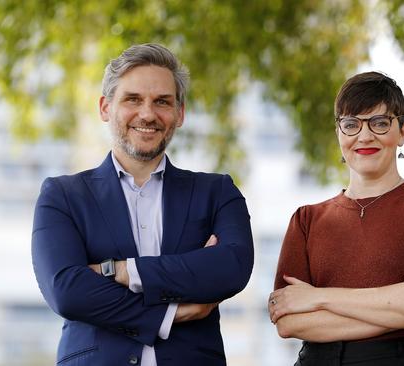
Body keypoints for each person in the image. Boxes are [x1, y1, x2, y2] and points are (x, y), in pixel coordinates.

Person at [31, 43, 254, 366]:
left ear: (180, 114)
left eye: (162, 102)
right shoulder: (62, 196)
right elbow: (66, 291)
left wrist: (120, 270)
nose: (148, 114)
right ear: (106, 108)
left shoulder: (217, 191)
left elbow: (231, 268)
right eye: (133, 99)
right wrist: (169, 313)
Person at [268, 71, 404, 365]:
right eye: (351, 124)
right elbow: (288, 321)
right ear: (339, 133)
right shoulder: (306, 220)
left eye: (380, 123)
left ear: (402, 131)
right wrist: (400, 304)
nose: (364, 136)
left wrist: (318, 298)